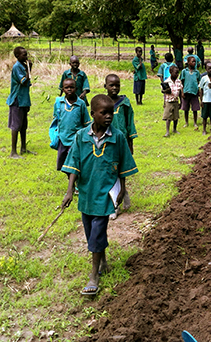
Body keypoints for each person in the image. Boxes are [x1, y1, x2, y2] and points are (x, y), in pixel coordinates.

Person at [61, 94, 139, 296]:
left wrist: (122, 188)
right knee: (90, 232)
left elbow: (124, 164)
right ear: (92, 113)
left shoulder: (118, 137)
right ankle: (103, 261)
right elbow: (73, 164)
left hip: (105, 194)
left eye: (111, 112)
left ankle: (93, 276)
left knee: (96, 232)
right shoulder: (80, 137)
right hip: (87, 192)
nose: (108, 117)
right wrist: (70, 191)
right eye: (103, 113)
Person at [104, 74, 137, 218]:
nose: (114, 88)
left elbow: (130, 124)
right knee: (111, 172)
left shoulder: (125, 103)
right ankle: (117, 200)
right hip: (107, 143)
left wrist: (131, 143)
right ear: (105, 86)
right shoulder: (103, 103)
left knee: (120, 172)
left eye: (117, 85)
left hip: (122, 143)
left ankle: (119, 199)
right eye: (111, 85)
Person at [54, 78, 91, 174]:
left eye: (72, 87)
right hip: (62, 138)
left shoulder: (81, 104)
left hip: (76, 139)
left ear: (76, 88)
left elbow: (86, 122)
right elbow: (56, 119)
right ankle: (71, 181)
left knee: (74, 163)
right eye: (66, 88)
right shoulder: (59, 103)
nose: (69, 89)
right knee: (64, 164)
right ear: (63, 89)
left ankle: (75, 184)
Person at [7, 46, 33, 159]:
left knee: (23, 125)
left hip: (24, 100)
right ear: (17, 56)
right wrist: (28, 69)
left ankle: (23, 148)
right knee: (16, 126)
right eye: (24, 55)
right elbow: (23, 81)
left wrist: (28, 69)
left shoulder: (23, 66)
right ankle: (13, 152)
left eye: (26, 54)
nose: (26, 57)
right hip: (17, 99)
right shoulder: (17, 67)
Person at [179, 56, 201, 129]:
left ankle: (195, 122)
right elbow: (181, 82)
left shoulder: (197, 72)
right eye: (192, 61)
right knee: (186, 108)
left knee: (195, 108)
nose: (194, 63)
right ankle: (186, 122)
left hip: (194, 92)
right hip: (186, 92)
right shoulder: (184, 71)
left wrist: (199, 91)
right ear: (188, 63)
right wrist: (182, 92)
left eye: (195, 61)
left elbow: (199, 82)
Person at [162, 65, 183, 137]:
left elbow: (180, 92)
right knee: (168, 117)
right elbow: (163, 92)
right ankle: (167, 131)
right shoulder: (167, 82)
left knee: (176, 116)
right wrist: (164, 101)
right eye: (175, 73)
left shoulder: (178, 81)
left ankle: (174, 129)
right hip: (169, 101)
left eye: (177, 73)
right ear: (170, 72)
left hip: (176, 100)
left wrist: (181, 101)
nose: (177, 74)